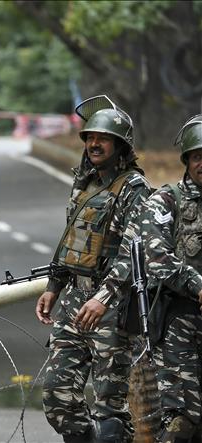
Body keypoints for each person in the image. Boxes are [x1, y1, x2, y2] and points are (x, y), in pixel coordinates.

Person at [35, 95, 151, 443]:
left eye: (103, 138)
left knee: (110, 411)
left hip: (111, 309)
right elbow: (71, 239)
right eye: (89, 137)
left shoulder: (135, 189)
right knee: (58, 399)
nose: (94, 144)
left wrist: (103, 298)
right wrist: (54, 286)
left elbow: (136, 251)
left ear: (121, 145)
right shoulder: (85, 183)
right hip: (74, 302)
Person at [140, 114, 202, 443]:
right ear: (187, 161)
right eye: (197, 156)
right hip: (180, 323)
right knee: (184, 418)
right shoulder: (167, 201)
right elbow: (157, 259)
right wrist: (198, 285)